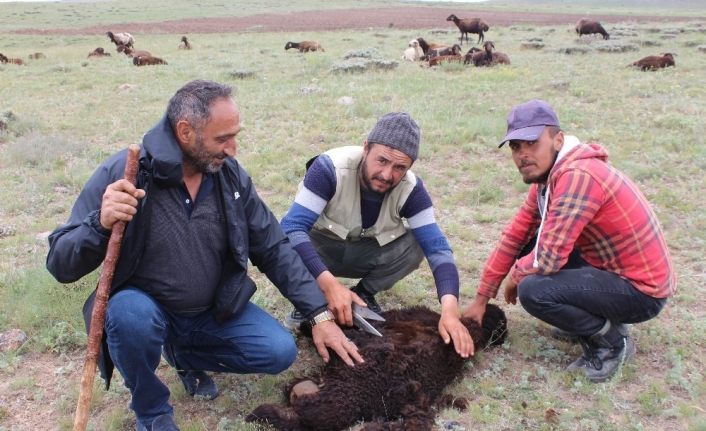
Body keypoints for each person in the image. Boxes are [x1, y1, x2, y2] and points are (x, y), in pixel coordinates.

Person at [46, 80, 363, 431]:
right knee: (128, 316)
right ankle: (151, 410)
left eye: (235, 135)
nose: (233, 148)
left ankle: (182, 354)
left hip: (212, 310)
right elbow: (60, 262)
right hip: (145, 309)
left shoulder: (229, 177)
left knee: (278, 352)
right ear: (185, 132)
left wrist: (318, 315)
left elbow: (273, 247)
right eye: (222, 139)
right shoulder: (128, 173)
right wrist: (100, 223)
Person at [463, 99, 676, 382]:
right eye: (516, 146)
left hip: (642, 291)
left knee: (534, 290)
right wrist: (481, 298)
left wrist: (514, 277)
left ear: (558, 140)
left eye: (532, 143)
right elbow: (515, 235)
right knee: (527, 247)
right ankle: (592, 320)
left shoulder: (577, 176)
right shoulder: (548, 179)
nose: (522, 155)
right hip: (614, 271)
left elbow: (549, 257)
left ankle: (612, 343)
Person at [280, 112, 474, 358]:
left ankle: (362, 296)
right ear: (366, 149)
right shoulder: (329, 168)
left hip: (365, 251)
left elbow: (438, 248)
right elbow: (292, 228)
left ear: (410, 167)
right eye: (381, 160)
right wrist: (330, 286)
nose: (386, 174)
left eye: (399, 167)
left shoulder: (412, 189)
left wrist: (449, 309)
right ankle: (309, 300)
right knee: (286, 240)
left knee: (418, 241)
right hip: (319, 251)